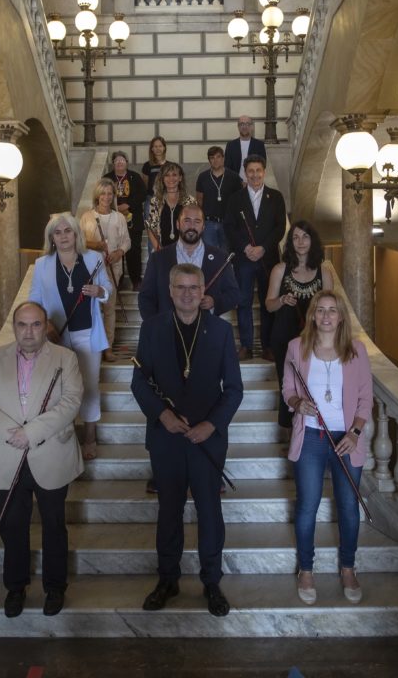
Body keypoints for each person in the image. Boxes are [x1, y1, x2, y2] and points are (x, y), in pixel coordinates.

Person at [131, 263, 243, 617]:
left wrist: (211, 426)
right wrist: (162, 415)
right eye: (180, 287)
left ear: (202, 291)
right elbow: (138, 382)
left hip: (207, 441)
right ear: (170, 290)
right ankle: (168, 579)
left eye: (194, 288)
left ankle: (212, 582)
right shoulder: (151, 329)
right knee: (169, 513)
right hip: (166, 438)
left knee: (210, 512)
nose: (187, 294)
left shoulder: (222, 332)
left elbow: (235, 390)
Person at [0, 301, 84, 618]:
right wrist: (9, 431)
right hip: (9, 455)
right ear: (14, 327)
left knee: (53, 526)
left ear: (45, 325)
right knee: (12, 525)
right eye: (23, 325)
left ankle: (55, 588)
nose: (29, 332)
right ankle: (15, 587)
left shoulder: (66, 358)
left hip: (51, 454)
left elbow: (71, 402)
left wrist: (31, 433)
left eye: (36, 324)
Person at [280, 290, 373, 607]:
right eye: (320, 310)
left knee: (349, 507)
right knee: (307, 505)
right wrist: (297, 403)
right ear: (312, 315)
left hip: (346, 438)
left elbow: (365, 399)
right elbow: (288, 389)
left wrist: (355, 432)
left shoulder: (356, 351)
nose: (326, 316)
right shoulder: (296, 347)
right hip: (311, 437)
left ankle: (348, 567)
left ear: (341, 317)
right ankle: (306, 569)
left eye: (332, 310)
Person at [30, 213, 112, 461]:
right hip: (56, 336)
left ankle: (89, 436)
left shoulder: (93, 258)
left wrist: (99, 291)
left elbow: (107, 289)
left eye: (68, 231)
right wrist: (44, 325)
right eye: (58, 232)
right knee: (60, 389)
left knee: (88, 385)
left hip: (87, 333)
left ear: (76, 234)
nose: (64, 236)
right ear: (51, 238)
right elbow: (34, 300)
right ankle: (64, 435)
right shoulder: (42, 264)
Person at [266, 220, 333, 426]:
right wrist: (282, 300)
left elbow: (332, 306)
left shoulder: (324, 273)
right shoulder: (280, 270)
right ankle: (288, 432)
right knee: (288, 383)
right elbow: (269, 305)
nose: (300, 241)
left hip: (315, 338)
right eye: (295, 237)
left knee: (312, 383)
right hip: (285, 337)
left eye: (305, 236)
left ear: (312, 241)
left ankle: (313, 428)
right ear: (290, 243)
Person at [223, 154, 287, 361]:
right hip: (244, 259)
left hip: (268, 259)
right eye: (250, 171)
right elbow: (229, 228)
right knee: (243, 301)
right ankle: (246, 346)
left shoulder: (276, 197)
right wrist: (245, 247)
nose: (255, 174)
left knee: (269, 301)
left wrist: (264, 248)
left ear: (264, 172)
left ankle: (268, 346)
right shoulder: (235, 199)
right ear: (245, 173)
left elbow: (280, 228)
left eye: (258, 170)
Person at [139, 201, 239, 321]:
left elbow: (233, 294)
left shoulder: (221, 258)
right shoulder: (158, 259)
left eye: (197, 222)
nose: (192, 226)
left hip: (206, 332)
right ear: (177, 224)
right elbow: (145, 298)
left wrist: (215, 302)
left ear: (203, 227)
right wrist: (156, 327)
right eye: (187, 221)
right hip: (168, 332)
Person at [80, 177, 131, 363]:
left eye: (110, 193)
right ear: (97, 195)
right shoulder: (87, 217)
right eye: (103, 193)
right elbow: (79, 242)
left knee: (109, 309)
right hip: (90, 269)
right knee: (93, 309)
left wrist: (118, 252)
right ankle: (94, 347)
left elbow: (127, 241)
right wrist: (97, 245)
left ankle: (108, 348)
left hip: (113, 267)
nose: (106, 197)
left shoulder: (118, 217)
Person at [103, 150, 147, 290]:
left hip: (133, 220)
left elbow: (142, 194)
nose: (120, 162)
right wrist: (115, 207)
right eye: (117, 160)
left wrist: (128, 205)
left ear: (127, 163)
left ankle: (136, 280)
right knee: (115, 249)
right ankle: (118, 280)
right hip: (113, 220)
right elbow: (101, 195)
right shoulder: (107, 178)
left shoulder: (135, 177)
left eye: (122, 160)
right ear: (113, 164)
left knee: (134, 249)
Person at [194, 146, 241, 251]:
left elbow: (239, 201)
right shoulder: (203, 177)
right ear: (209, 160)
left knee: (226, 255)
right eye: (212, 158)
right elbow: (199, 201)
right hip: (208, 223)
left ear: (223, 158)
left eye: (218, 157)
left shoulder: (234, 177)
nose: (215, 160)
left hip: (228, 223)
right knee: (210, 255)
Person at [145, 161, 196, 253]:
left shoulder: (190, 201)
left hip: (186, 250)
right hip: (162, 249)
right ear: (162, 179)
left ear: (180, 178)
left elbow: (195, 227)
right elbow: (151, 228)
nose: (171, 178)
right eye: (167, 175)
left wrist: (188, 248)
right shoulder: (156, 201)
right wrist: (158, 248)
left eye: (174, 175)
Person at [141, 136, 169, 262]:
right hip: (151, 202)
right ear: (152, 149)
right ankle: (153, 263)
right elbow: (146, 185)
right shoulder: (147, 166)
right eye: (155, 146)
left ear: (164, 148)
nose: (158, 149)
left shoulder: (170, 165)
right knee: (152, 233)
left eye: (160, 146)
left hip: (167, 201)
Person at [224, 115, 266, 184]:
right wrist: (239, 181)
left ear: (252, 126)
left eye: (247, 124)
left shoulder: (259, 145)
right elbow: (227, 168)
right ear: (238, 127)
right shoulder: (230, 145)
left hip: (254, 183)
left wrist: (250, 180)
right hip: (235, 184)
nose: (244, 127)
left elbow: (262, 166)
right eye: (242, 124)